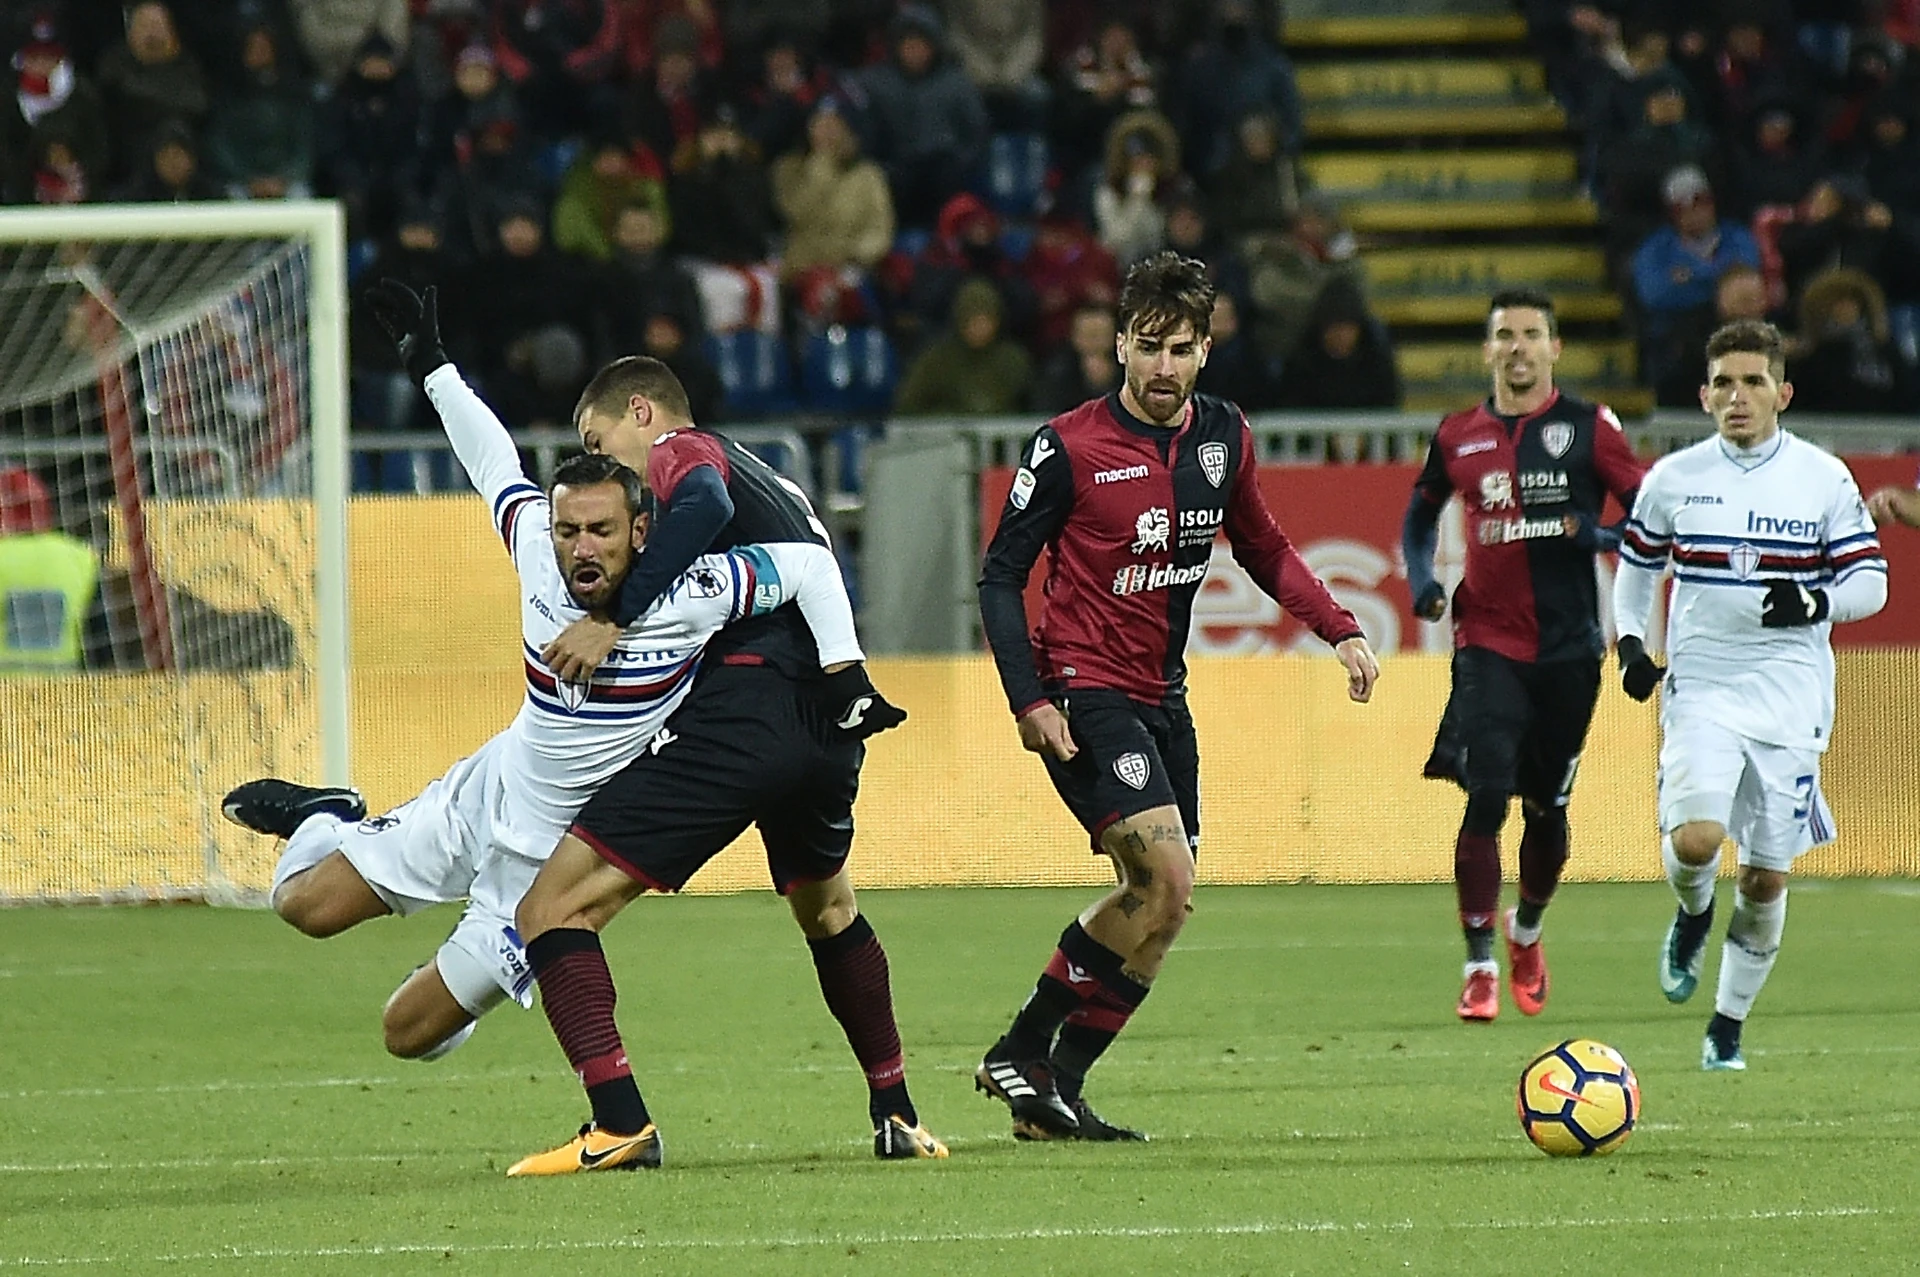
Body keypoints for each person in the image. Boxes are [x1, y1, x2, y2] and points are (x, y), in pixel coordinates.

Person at [222, 280, 870, 1063]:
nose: (581, 546)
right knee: (305, 905)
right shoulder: (533, 544)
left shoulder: (691, 590)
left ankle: (464, 978)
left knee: (408, 1033)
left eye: (602, 529)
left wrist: (843, 679)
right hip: (492, 789)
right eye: (568, 529)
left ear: (639, 530)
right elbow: (490, 457)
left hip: (553, 859)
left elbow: (803, 566)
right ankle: (330, 811)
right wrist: (433, 367)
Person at [488, 353, 937, 1173]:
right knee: (828, 908)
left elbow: (701, 500)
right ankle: (897, 1111)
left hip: (747, 710)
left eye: (602, 440)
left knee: (549, 910)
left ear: (642, 412)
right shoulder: (777, 481)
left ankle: (617, 1122)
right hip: (825, 727)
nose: (607, 469)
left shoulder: (684, 452)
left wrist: (616, 616)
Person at [974, 251, 1380, 1141]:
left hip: (1165, 694)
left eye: (1182, 349)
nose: (1164, 366)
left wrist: (1340, 626)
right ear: (1120, 344)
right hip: (1084, 689)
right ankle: (1021, 1044)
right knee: (1166, 874)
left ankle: (1054, 1090)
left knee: (1165, 906)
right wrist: (1028, 698)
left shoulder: (1222, 438)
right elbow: (1002, 575)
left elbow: (1265, 549)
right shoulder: (1069, 445)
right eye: (1148, 346)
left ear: (1206, 352)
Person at [1613, 319, 1887, 1070]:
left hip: (1792, 696)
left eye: (1754, 382)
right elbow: (1635, 570)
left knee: (1766, 875)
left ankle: (1726, 1027)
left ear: (1783, 393)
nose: (1739, 397)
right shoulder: (1673, 479)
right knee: (1696, 840)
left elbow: (1871, 581)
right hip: (1702, 683)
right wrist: (1631, 643)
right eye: (1725, 383)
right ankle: (1694, 912)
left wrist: (1815, 601)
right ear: (1703, 395)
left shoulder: (1823, 477)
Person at [1402, 287, 1647, 1023]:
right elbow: (1420, 515)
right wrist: (1422, 580)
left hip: (1571, 648)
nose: (1516, 347)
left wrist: (1594, 536)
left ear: (1554, 348)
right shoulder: (1458, 435)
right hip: (1487, 642)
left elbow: (1646, 520)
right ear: (1487, 350)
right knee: (1487, 791)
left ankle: (1527, 931)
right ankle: (1478, 963)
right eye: (1503, 334)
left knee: (1548, 807)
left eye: (1530, 334)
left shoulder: (1589, 428)